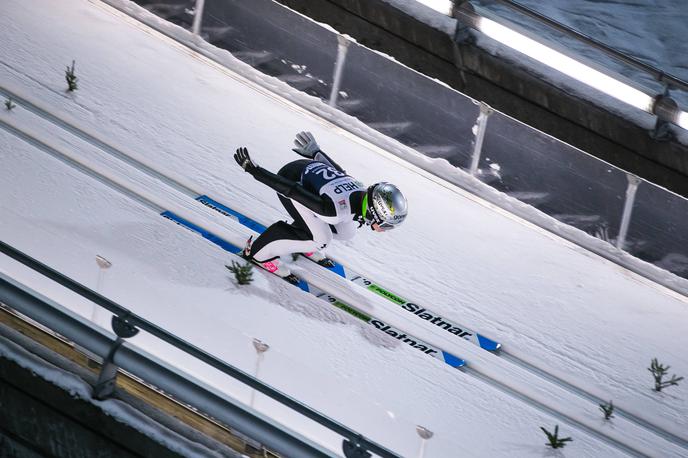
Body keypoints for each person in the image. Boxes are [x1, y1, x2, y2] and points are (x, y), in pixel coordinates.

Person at [233, 131, 408, 283]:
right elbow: (292, 191)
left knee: (346, 232)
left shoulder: (361, 190)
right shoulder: (335, 211)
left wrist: (316, 153)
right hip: (291, 179)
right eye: (387, 224)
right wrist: (256, 171)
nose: (385, 230)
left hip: (307, 173)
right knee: (322, 240)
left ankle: (304, 241)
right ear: (374, 213)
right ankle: (257, 253)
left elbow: (339, 172)